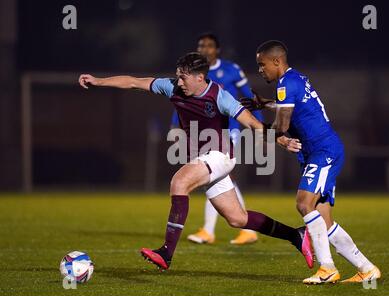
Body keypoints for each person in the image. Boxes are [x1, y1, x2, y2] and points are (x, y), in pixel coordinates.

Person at [78, 52, 314, 271]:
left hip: (220, 156)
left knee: (179, 182)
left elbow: (252, 122)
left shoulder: (219, 96)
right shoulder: (171, 87)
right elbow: (132, 81)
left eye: (183, 78)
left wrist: (280, 139)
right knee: (237, 218)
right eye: (178, 76)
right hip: (203, 158)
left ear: (200, 77)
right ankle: (296, 235)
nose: (179, 82)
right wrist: (98, 81)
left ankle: (166, 254)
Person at [243, 40, 381, 284]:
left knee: (304, 203)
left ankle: (327, 268)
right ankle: (366, 268)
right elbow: (295, 107)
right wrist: (265, 104)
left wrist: (262, 131)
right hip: (319, 151)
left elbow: (282, 125)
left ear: (277, 61)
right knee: (324, 220)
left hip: (322, 151)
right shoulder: (295, 79)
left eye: (262, 64)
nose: (260, 70)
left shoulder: (287, 84)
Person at [171, 33, 263, 245]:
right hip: (199, 131)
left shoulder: (231, 69)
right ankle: (243, 230)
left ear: (217, 50)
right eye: (201, 45)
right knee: (220, 179)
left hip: (228, 129)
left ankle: (209, 230)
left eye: (209, 46)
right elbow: (182, 101)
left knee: (214, 176)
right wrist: (175, 125)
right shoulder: (190, 73)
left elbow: (249, 97)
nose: (205, 49)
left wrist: (259, 126)